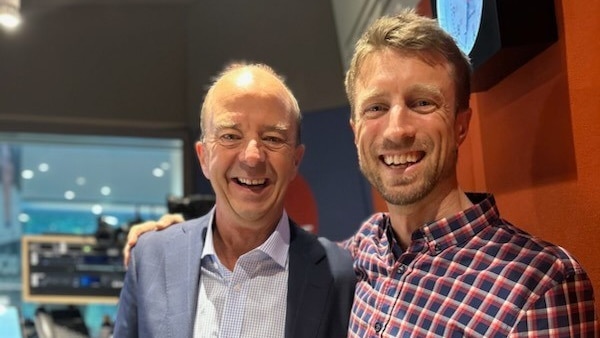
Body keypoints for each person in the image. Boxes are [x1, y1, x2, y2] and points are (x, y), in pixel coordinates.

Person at [124, 10, 599, 337]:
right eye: (376, 107)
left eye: (422, 103)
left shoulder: (540, 286)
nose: (396, 129)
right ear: (355, 131)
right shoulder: (351, 260)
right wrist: (176, 243)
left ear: (460, 123)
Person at [113, 62, 356, 338]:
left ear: (295, 161)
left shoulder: (339, 275)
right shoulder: (150, 257)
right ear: (204, 157)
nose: (252, 157)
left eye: (273, 138)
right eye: (230, 136)